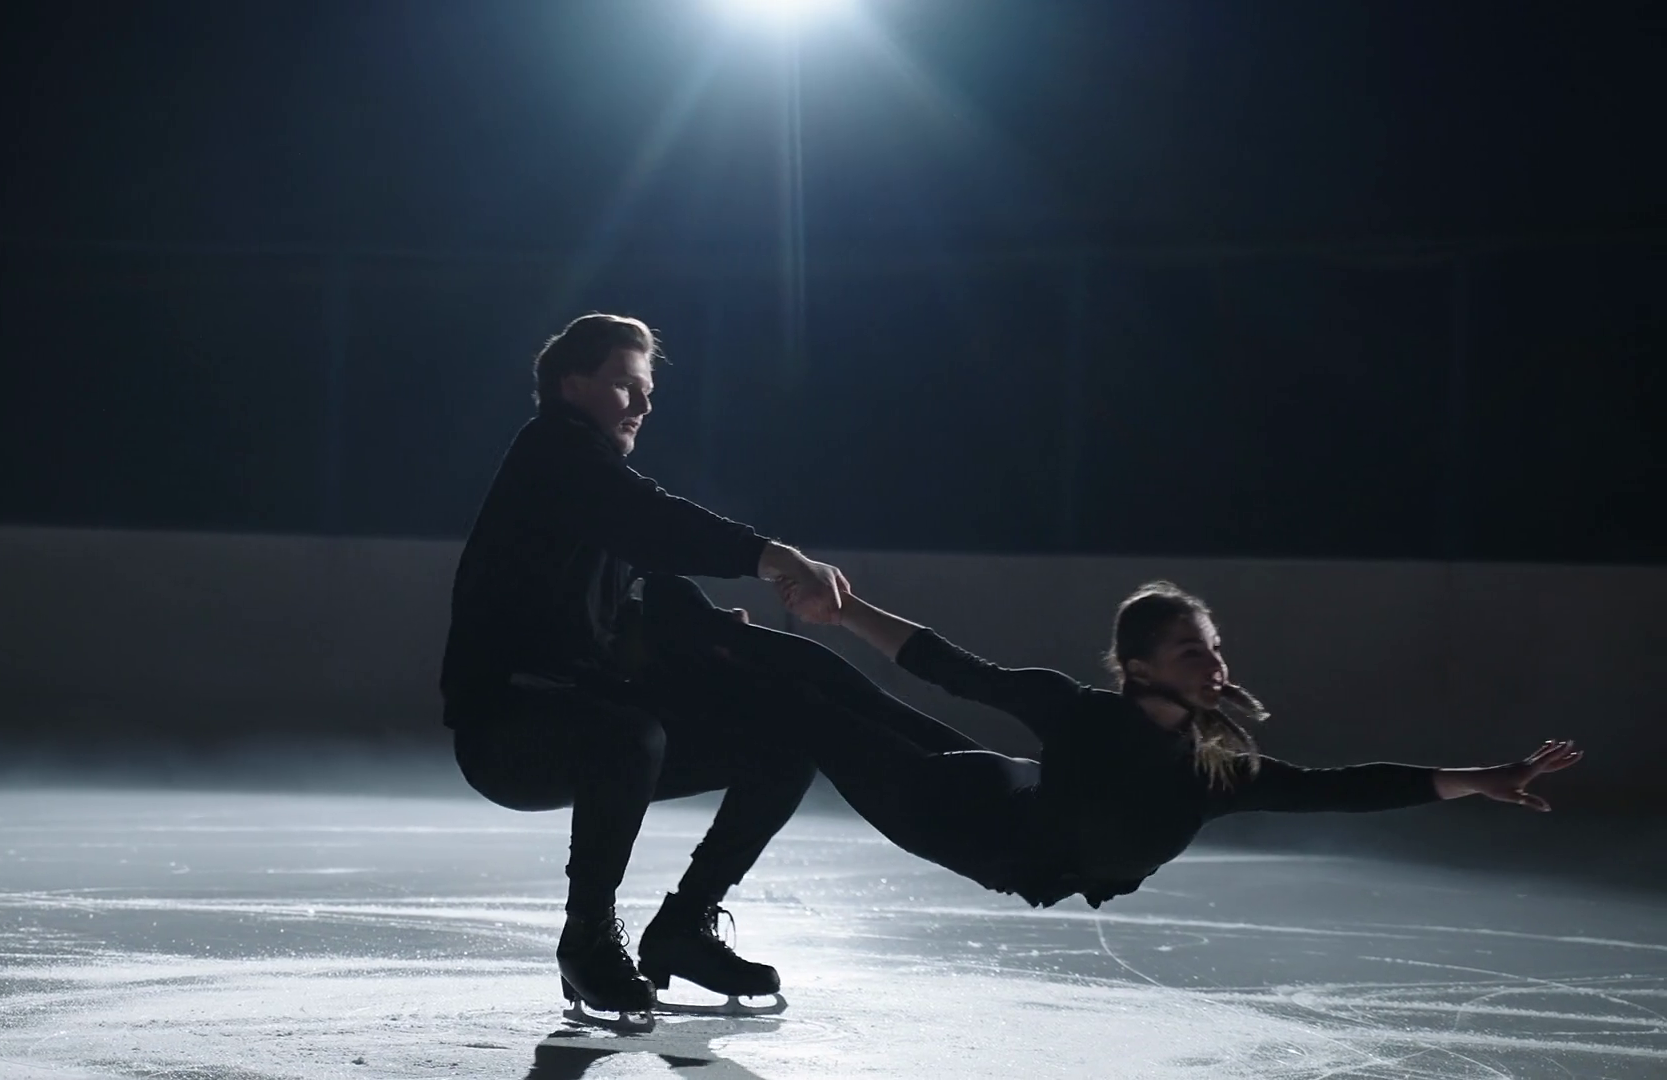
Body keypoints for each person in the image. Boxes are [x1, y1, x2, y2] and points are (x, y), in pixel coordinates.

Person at [647, 574, 1582, 909]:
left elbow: (1343, 786)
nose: (1213, 665)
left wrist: (1483, 778)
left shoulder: (1218, 771)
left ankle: (709, 632)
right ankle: (689, 628)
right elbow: (951, 668)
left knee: (834, 705)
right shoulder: (1080, 713)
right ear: (1136, 667)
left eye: (1214, 649)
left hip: (995, 807)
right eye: (1191, 652)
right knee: (823, 698)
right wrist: (846, 612)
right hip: (965, 814)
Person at [440, 313, 849, 1020]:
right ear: (572, 385)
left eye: (648, 390)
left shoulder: (595, 487)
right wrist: (773, 557)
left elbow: (641, 586)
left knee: (783, 739)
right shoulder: (551, 456)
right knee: (628, 736)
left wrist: (710, 630)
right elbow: (650, 520)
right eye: (626, 386)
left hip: (587, 710)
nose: (644, 405)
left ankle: (684, 929)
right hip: (507, 727)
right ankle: (588, 940)